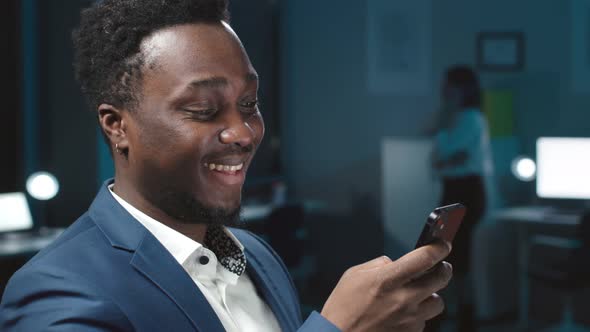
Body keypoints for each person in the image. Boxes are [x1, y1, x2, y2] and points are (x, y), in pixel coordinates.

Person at [0, 1, 453, 331]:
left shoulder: (256, 255)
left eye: (249, 103)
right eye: (202, 108)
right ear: (118, 126)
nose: (243, 132)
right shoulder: (58, 293)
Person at [429, 65, 493, 332]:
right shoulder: (455, 118)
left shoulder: (470, 119)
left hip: (465, 191)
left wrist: (443, 153)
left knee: (456, 257)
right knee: (443, 253)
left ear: (462, 88)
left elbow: (447, 157)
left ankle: (458, 319)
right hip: (454, 189)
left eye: (449, 85)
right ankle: (446, 316)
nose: (443, 90)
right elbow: (438, 161)